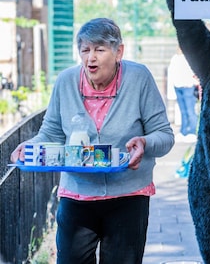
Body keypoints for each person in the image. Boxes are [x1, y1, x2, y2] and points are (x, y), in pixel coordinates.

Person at [10, 17, 174, 264]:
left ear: (119, 51)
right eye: (85, 50)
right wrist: (30, 147)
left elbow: (164, 135)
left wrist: (144, 143)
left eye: (99, 49)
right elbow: (51, 134)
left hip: (128, 195)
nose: (90, 58)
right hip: (77, 195)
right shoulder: (66, 81)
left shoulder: (139, 78)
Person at [167, 47, 199, 143]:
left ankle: (192, 132)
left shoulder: (190, 58)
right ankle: (183, 132)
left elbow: (194, 72)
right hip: (178, 87)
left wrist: (192, 82)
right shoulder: (175, 58)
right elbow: (172, 73)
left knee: (190, 111)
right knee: (183, 111)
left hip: (188, 87)